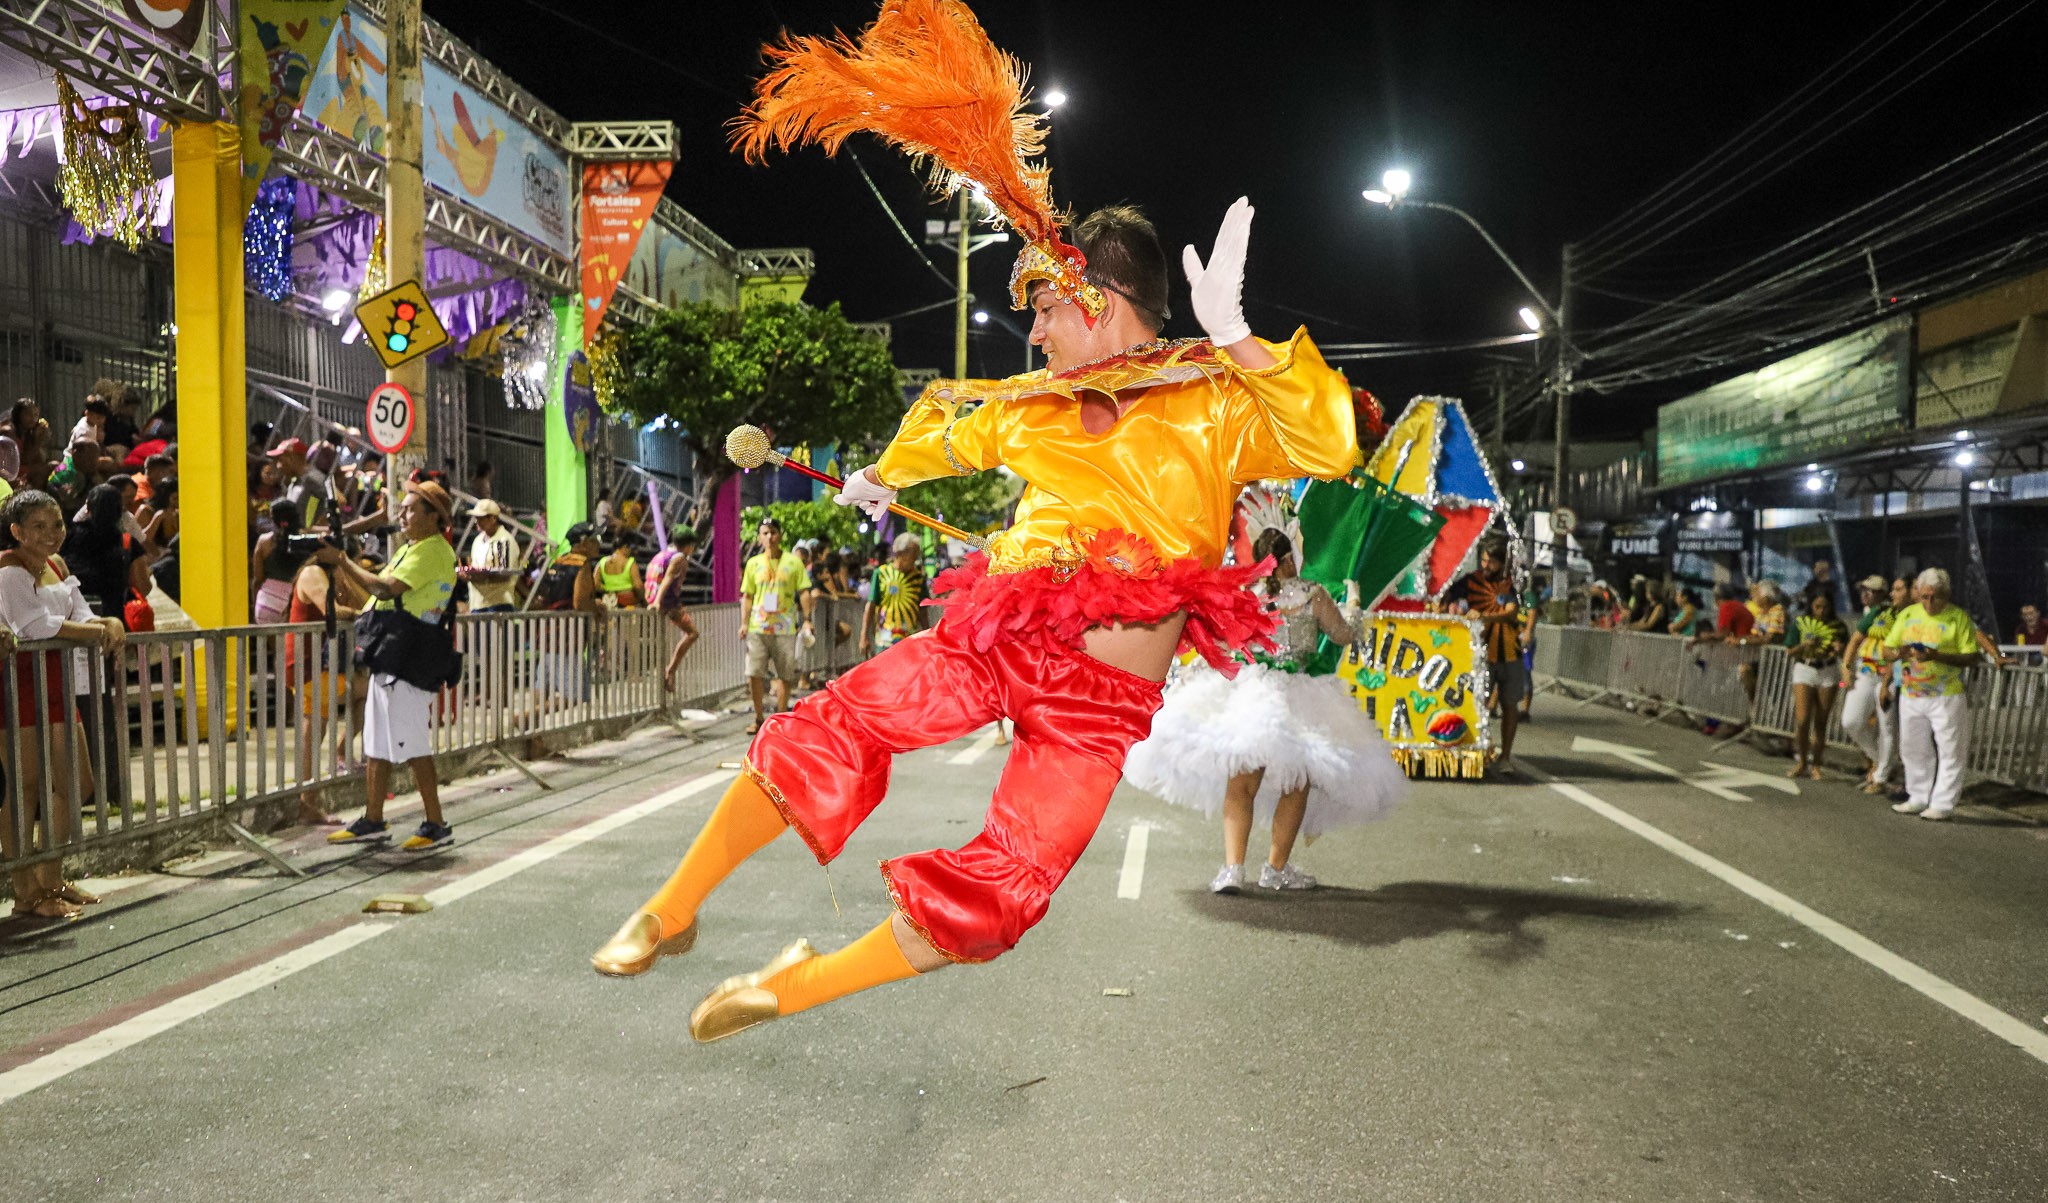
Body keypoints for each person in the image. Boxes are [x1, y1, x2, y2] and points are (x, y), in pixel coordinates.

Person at [592, 3, 1358, 1043]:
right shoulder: (1030, 406)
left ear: (1096, 297)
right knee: (829, 723)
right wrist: (870, 474)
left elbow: (1324, 444)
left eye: (1043, 307)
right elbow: (947, 419)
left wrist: (1238, 336)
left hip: (1101, 705)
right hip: (997, 639)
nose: (1032, 330)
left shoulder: (1214, 400)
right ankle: (671, 907)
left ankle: (795, 987)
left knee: (1006, 895)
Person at [1125, 528, 1402, 893]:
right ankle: (1275, 868)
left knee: (1241, 785)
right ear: (1288, 559)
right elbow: (1344, 635)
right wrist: (1354, 601)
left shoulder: (1249, 594)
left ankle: (1232, 870)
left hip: (1253, 691)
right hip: (1300, 696)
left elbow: (1225, 639)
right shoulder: (1311, 593)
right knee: (1297, 783)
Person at [0, 489, 123, 917]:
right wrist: (97, 632)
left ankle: (51, 878)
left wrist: (107, 622)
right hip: (18, 684)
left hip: (56, 679)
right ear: (16, 532)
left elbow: (81, 611)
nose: (52, 534)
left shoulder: (57, 564)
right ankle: (25, 892)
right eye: (38, 526)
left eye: (57, 524)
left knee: (78, 782)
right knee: (25, 788)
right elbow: (34, 626)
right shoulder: (8, 571)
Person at [318, 481, 459, 850]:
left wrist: (342, 561)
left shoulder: (432, 551)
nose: (402, 514)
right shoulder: (412, 548)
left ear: (434, 517)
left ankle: (436, 823)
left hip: (410, 659)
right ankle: (373, 818)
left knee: (413, 743)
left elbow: (384, 590)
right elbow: (379, 592)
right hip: (393, 655)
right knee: (376, 743)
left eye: (411, 509)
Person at [1883, 567, 1981, 821]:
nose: (1928, 602)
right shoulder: (1907, 614)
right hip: (1912, 693)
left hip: (1945, 694)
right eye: (1924, 596)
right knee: (1912, 747)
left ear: (1945, 595)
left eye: (1934, 597)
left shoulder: (1958, 618)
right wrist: (1899, 653)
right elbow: (1887, 649)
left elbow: (1971, 655)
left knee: (1950, 749)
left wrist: (1936, 655)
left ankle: (1943, 803)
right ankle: (1918, 796)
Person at [286, 542, 369, 826]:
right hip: (310, 666)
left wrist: (347, 574)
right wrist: (366, 615)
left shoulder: (328, 575)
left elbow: (364, 600)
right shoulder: (313, 573)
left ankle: (308, 803)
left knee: (313, 735)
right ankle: (337, 758)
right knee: (373, 689)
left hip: (318, 665)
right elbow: (333, 610)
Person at [1451, 538, 1526, 774]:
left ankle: (1505, 756)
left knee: (1510, 705)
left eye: (1491, 562)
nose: (1486, 565)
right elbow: (1447, 596)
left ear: (1502, 564)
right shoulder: (1471, 581)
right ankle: (1477, 752)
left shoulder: (1511, 584)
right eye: (1484, 560)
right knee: (1476, 705)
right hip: (1479, 655)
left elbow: (1511, 613)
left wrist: (1482, 616)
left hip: (1510, 654)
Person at [738, 516, 812, 733]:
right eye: (765, 533)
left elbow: (804, 592)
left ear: (780, 535)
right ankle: (759, 717)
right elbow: (748, 596)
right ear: (760, 537)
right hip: (758, 627)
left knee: (785, 674)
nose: (769, 537)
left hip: (785, 627)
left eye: (773, 532)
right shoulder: (753, 564)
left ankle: (780, 719)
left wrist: (807, 619)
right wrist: (744, 623)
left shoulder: (793, 562)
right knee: (754, 673)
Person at [1841, 576, 1906, 794]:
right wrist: (1846, 666)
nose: (1865, 595)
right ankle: (1882, 761)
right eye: (1864, 590)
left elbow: (1897, 651)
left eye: (1870, 591)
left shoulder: (1905, 616)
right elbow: (1855, 640)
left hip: (1889, 675)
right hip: (1866, 673)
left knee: (1886, 727)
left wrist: (1888, 679)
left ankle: (1881, 776)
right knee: (1851, 721)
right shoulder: (1877, 615)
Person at [1784, 590, 1849, 780]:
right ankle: (1802, 761)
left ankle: (1817, 764)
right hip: (1805, 668)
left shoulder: (1838, 626)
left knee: (1821, 721)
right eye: (1818, 607)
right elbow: (1789, 650)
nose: (1821, 611)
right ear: (1811, 606)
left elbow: (1845, 652)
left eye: (1825, 607)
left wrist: (1840, 650)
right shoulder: (1800, 623)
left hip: (1828, 671)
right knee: (1803, 719)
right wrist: (1804, 646)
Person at [859, 532, 927, 657]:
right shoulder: (881, 573)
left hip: (910, 638)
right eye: (913, 555)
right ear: (900, 553)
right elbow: (871, 605)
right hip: (885, 638)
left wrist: (927, 635)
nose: (915, 560)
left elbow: (922, 610)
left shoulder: (918, 577)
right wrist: (863, 636)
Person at [650, 533, 702, 692]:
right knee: (692, 633)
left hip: (653, 597)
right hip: (667, 602)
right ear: (688, 546)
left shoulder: (661, 554)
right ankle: (670, 670)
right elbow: (668, 578)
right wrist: (658, 601)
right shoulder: (680, 558)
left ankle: (668, 677)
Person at [249, 499, 310, 624]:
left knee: (269, 644)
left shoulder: (264, 542)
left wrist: (255, 604)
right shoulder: (306, 542)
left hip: (266, 604)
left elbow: (258, 579)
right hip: (295, 604)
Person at [460, 499, 520, 612]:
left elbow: (505, 574)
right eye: (476, 518)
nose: (477, 522)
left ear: (493, 519)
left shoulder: (505, 541)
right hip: (477, 604)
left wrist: (478, 577)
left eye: (481, 518)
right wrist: (468, 576)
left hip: (498, 604)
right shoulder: (477, 541)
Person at [594, 538, 644, 608]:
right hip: (628, 601)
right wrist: (641, 599)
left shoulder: (601, 562)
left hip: (608, 600)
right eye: (630, 548)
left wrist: (608, 589)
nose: (631, 552)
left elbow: (595, 585)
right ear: (625, 547)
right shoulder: (630, 562)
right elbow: (638, 585)